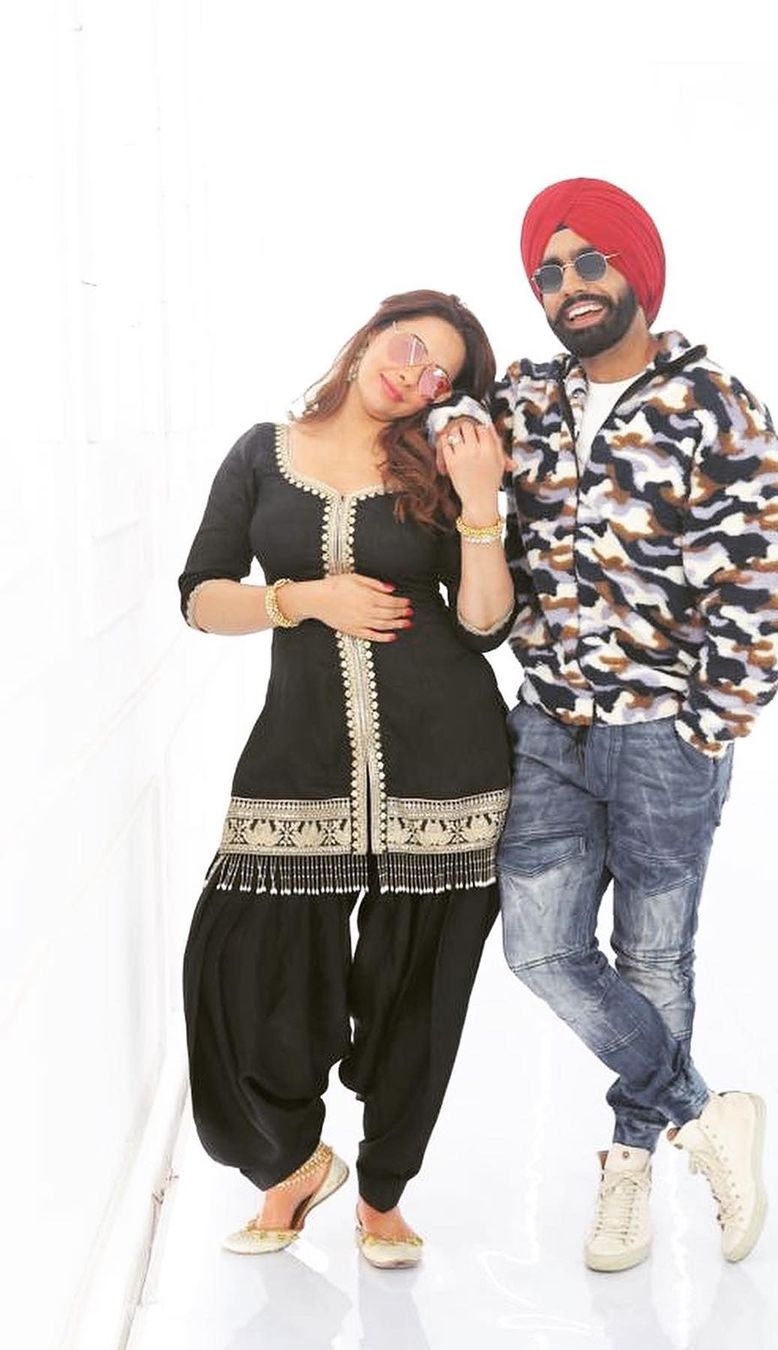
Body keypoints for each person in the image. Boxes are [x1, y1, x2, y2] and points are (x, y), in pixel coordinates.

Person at [434, 179, 778, 1273]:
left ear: (636, 270)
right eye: (548, 272)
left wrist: (708, 723)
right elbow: (448, 450)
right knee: (541, 948)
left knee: (653, 956)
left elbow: (760, 573)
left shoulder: (712, 403)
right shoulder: (524, 402)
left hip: (664, 734)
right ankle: (703, 1112)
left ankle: (631, 1165)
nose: (569, 286)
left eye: (589, 261)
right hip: (547, 724)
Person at [179, 289, 513, 1267]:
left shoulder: (438, 466)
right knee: (240, 970)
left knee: (419, 994)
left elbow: (486, 623)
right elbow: (200, 598)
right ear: (370, 335)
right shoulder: (261, 453)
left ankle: (382, 1195)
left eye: (439, 374)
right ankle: (291, 1161)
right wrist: (302, 599)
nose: (415, 375)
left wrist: (480, 503)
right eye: (408, 347)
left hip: (447, 763)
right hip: (299, 759)